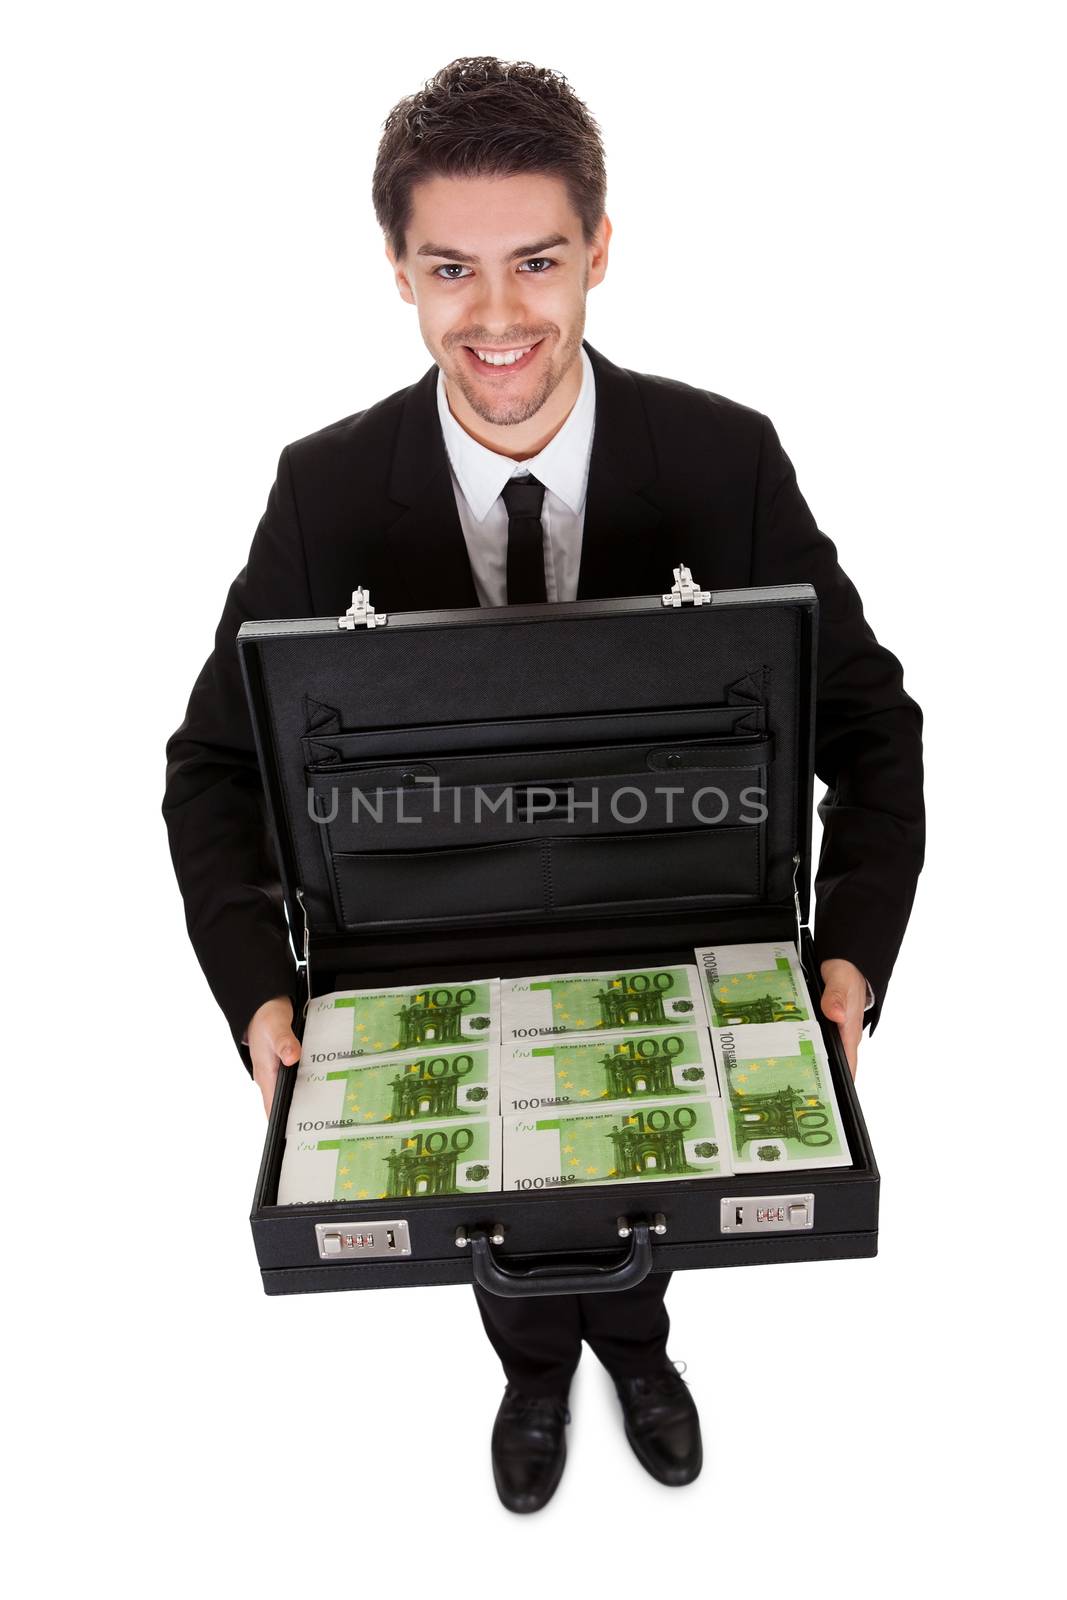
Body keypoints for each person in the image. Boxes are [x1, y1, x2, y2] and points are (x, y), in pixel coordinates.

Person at [162, 55, 925, 1514]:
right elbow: (212, 767)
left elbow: (873, 729)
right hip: (426, 956)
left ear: (599, 255)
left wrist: (847, 961)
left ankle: (638, 1348)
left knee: (647, 1219)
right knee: (500, 1244)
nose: (498, 315)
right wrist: (260, 990)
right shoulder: (324, 492)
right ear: (399, 271)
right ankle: (528, 1370)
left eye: (537, 262)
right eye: (452, 268)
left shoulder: (726, 459)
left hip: (684, 945)